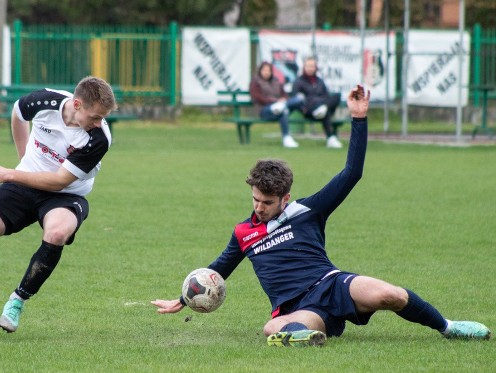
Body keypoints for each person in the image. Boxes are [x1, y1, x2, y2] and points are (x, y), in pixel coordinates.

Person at [152, 85, 491, 347]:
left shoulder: (308, 210)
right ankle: (300, 335)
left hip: (333, 284)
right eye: (255, 199)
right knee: (272, 326)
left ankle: (449, 327)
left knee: (392, 295)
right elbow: (219, 269)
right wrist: (184, 298)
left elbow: (351, 174)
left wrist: (359, 118)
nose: (258, 207)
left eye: (267, 202)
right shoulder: (244, 233)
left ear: (285, 197)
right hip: (297, 307)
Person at [0, 76, 117, 340]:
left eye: (102, 118)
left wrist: (11, 174)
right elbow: (18, 112)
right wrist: (23, 158)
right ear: (77, 104)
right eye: (94, 117)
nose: (98, 123)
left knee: (57, 232)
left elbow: (59, 182)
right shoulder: (45, 100)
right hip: (24, 183)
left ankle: (17, 300)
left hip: (66, 195)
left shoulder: (99, 138)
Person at [290, 57, 342, 149]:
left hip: (322, 105)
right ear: (304, 67)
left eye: (312, 66)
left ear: (316, 67)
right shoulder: (298, 81)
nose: (310, 68)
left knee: (337, 95)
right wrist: (303, 109)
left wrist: (325, 104)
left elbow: (326, 95)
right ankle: (331, 138)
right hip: (309, 109)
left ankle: (324, 108)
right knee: (324, 110)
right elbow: (295, 98)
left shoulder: (319, 81)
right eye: (308, 66)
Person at [249, 61, 304, 148]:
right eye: (264, 70)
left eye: (269, 70)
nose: (267, 72)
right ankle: (286, 137)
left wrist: (283, 99)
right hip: (264, 110)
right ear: (260, 71)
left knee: (288, 107)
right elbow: (257, 97)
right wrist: (275, 101)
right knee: (286, 107)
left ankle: (286, 138)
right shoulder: (255, 82)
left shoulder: (276, 81)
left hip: (280, 108)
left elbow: (284, 94)